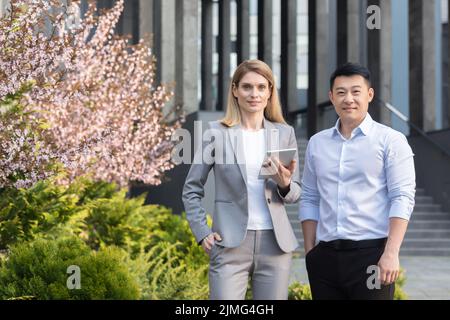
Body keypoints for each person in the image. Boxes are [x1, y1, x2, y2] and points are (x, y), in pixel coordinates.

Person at [182, 59, 301, 300]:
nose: (254, 94)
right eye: (247, 87)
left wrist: (284, 184)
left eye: (261, 87)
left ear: (269, 92)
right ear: (235, 90)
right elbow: (191, 189)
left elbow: (296, 193)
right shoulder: (216, 133)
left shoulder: (285, 133)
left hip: (275, 246)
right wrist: (202, 231)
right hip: (229, 244)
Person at [299, 63, 416, 300]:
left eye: (356, 91)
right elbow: (310, 196)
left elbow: (402, 197)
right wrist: (310, 251)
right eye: (341, 92)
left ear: (369, 95)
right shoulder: (317, 143)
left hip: (371, 256)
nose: (348, 99)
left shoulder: (391, 141)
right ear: (331, 97)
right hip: (325, 258)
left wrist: (391, 252)